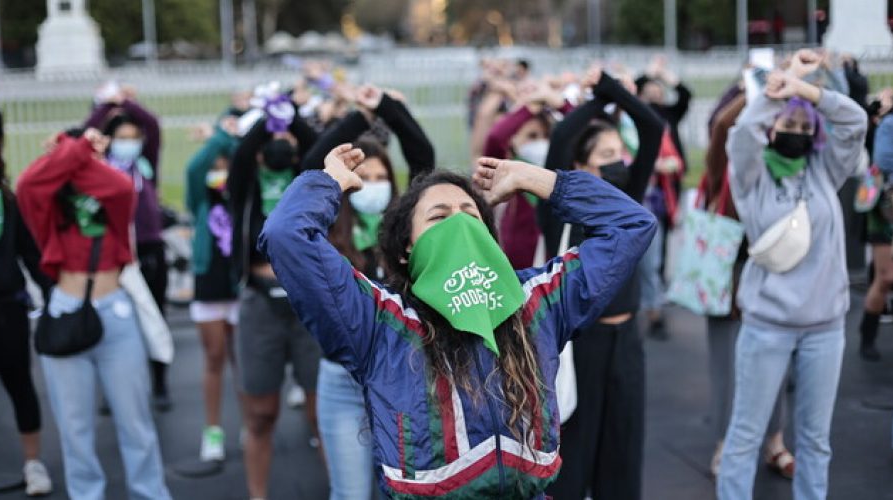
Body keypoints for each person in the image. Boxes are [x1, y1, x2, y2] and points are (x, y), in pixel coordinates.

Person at [258, 143, 656, 499]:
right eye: (439, 217)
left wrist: (535, 178)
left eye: (471, 216)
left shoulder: (538, 301)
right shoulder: (379, 321)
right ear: (406, 249)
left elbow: (631, 225)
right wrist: (328, 183)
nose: (460, 226)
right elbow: (285, 235)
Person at [718, 50, 867, 500]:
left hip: (825, 329)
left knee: (815, 442)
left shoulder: (826, 171)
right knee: (744, 439)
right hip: (767, 329)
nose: (796, 133)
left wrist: (807, 91)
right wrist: (779, 85)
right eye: (789, 124)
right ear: (773, 129)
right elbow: (742, 132)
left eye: (805, 127)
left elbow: (856, 121)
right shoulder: (752, 177)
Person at [17, 128, 172, 500]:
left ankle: (150, 493)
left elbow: (118, 187)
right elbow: (28, 184)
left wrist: (75, 154)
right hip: (67, 310)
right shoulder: (49, 204)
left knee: (136, 424)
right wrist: (73, 152)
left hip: (116, 314)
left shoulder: (114, 194)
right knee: (74, 429)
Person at [537, 67, 663, 500]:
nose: (617, 163)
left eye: (619, 153)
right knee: (572, 460)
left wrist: (610, 88)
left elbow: (652, 126)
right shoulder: (560, 212)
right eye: (605, 154)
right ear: (578, 166)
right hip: (579, 348)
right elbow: (560, 140)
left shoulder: (627, 203)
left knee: (623, 458)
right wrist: (593, 102)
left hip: (627, 342)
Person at [318, 87, 434, 500]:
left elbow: (423, 153)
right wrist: (358, 119)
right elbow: (311, 162)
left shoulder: (404, 228)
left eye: (382, 177)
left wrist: (385, 106)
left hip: (405, 375)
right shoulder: (327, 229)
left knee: (407, 491)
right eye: (363, 178)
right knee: (349, 494)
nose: (373, 185)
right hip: (342, 380)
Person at [228, 91, 324, 500]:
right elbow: (241, 157)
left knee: (323, 410)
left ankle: (343, 490)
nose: (278, 148)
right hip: (259, 301)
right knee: (261, 413)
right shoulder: (244, 185)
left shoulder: (307, 181)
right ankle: (257, 495)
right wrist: (265, 119)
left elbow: (319, 149)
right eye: (269, 144)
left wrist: (292, 114)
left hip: (307, 301)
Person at [704, 91, 794, 478]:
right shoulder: (724, 160)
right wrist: (755, 91)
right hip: (725, 268)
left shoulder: (784, 163)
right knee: (726, 362)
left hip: (769, 270)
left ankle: (774, 440)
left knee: (775, 359)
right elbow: (724, 125)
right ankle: (725, 443)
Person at [84, 91, 172, 410]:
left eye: (133, 137)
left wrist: (126, 101)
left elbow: (153, 125)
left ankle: (159, 383)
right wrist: (107, 107)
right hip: (113, 255)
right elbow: (85, 135)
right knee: (113, 322)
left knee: (154, 314)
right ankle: (111, 388)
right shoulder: (101, 167)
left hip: (149, 248)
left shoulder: (145, 163)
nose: (129, 142)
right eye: (122, 137)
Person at [0, 132, 54, 495]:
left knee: (20, 384)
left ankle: (33, 463)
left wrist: (50, 293)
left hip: (8, 307)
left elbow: (30, 253)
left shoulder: (9, 203)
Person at [185, 114, 241, 461]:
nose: (218, 168)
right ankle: (213, 431)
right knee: (214, 358)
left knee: (243, 361)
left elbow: (246, 155)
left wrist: (226, 139)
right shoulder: (199, 196)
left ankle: (251, 425)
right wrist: (217, 137)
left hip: (239, 283)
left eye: (226, 164)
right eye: (215, 164)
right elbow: (196, 166)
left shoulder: (242, 189)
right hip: (209, 281)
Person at [483, 80, 573, 269]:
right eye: (532, 136)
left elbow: (583, 130)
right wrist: (527, 108)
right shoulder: (504, 169)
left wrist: (559, 103)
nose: (541, 143)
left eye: (546, 136)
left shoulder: (561, 169)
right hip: (516, 255)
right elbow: (495, 137)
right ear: (513, 141)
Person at [636, 56, 692, 338]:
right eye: (650, 90)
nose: (656, 93)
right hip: (643, 194)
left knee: (659, 248)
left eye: (659, 90)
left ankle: (655, 298)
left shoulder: (668, 115)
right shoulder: (633, 117)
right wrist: (648, 73)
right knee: (646, 254)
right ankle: (652, 303)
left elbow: (686, 95)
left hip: (664, 192)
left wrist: (667, 76)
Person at [859, 88, 893, 361]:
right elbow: (883, 162)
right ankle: (867, 337)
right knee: (886, 277)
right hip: (886, 207)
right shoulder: (890, 124)